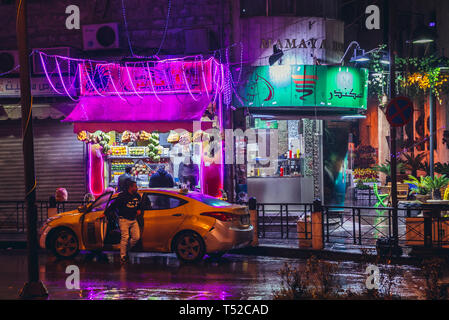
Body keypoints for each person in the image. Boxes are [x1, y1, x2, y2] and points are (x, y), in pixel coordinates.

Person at [109, 179, 142, 264]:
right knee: (125, 237)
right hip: (123, 219)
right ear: (130, 187)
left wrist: (139, 209)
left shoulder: (137, 196)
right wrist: (105, 213)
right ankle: (123, 256)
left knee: (136, 237)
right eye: (135, 186)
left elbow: (140, 205)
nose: (137, 188)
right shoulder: (122, 196)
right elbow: (114, 205)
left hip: (133, 220)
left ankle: (125, 249)